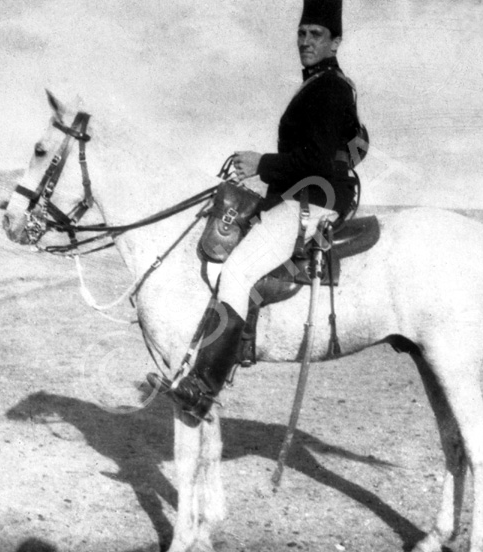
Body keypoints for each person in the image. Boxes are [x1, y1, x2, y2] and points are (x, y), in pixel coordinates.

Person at [148, 0, 363, 422]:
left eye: (316, 35)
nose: (305, 41)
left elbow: (319, 160)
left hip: (314, 204)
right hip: (304, 196)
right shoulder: (329, 86)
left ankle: (202, 386)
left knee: (237, 272)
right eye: (302, 33)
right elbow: (359, 143)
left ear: (335, 42)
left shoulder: (330, 89)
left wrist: (261, 164)